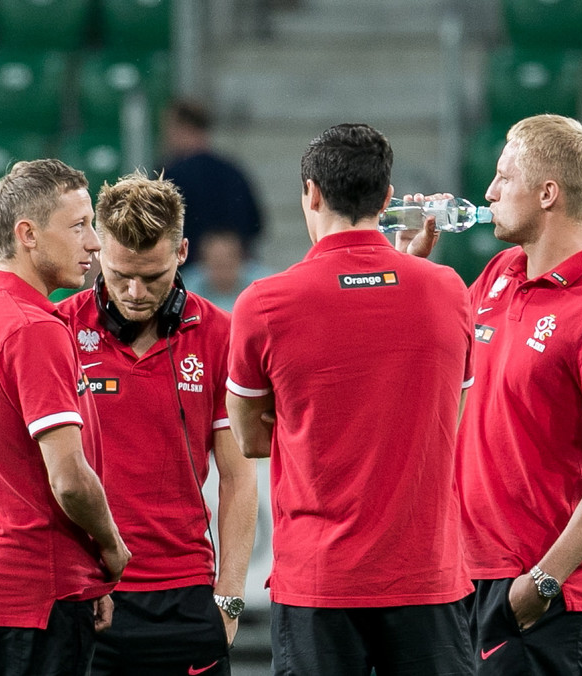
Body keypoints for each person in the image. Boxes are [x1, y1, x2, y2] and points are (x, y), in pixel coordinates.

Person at [407, 114, 582, 675]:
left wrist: (543, 581)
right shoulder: (496, 273)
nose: (489, 193)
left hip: (539, 594)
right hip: (463, 576)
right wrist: (410, 260)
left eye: (502, 177)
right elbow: (418, 359)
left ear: (548, 193)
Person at [227, 123, 475, 675]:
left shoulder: (264, 303)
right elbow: (444, 419)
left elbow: (249, 438)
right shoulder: (448, 291)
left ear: (311, 193)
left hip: (320, 583)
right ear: (387, 200)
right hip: (426, 580)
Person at [56, 172, 258, 676]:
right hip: (88, 595)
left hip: (185, 598)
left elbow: (238, 476)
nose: (135, 292)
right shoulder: (57, 330)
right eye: (121, 273)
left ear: (183, 251)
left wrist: (230, 597)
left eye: (153, 276)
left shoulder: (219, 334)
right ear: (98, 249)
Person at [0, 158, 131, 676]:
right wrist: (112, 548)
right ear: (27, 234)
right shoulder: (33, 328)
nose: (94, 243)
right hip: (35, 591)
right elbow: (69, 480)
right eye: (79, 226)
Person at [161, 98, 265, 261]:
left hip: (184, 269)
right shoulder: (233, 171)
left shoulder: (170, 176)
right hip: (234, 272)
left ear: (183, 128)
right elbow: (256, 226)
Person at [183, 229, 274, 312]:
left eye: (228, 264)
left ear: (241, 259)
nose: (223, 271)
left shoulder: (263, 285)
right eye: (217, 264)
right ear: (203, 263)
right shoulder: (187, 287)